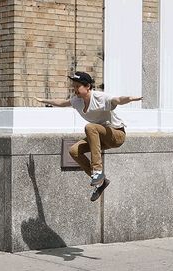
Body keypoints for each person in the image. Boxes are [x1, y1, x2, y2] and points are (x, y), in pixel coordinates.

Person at [35, 71, 142, 202]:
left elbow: (117, 100)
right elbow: (63, 103)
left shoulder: (99, 98)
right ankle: (101, 181)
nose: (75, 90)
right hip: (99, 137)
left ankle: (97, 170)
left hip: (116, 135)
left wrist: (129, 99)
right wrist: (44, 100)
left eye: (78, 86)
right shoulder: (77, 101)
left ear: (88, 87)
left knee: (90, 127)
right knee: (74, 151)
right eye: (74, 86)